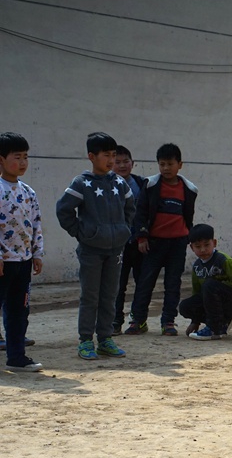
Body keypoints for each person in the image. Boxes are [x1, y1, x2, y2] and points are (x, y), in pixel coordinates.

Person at [56, 132, 135, 360]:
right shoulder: (82, 183)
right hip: (91, 250)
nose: (111, 160)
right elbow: (63, 210)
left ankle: (105, 339)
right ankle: (85, 341)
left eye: (113, 155)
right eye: (105, 155)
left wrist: (123, 231)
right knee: (90, 296)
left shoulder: (120, 183)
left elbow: (130, 209)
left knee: (110, 295)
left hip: (115, 250)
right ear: (91, 156)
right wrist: (82, 233)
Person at [124, 143, 196, 337]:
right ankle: (138, 321)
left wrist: (188, 237)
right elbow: (140, 213)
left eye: (170, 164)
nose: (166, 168)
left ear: (180, 165)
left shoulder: (189, 189)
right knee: (145, 283)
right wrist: (142, 237)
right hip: (153, 244)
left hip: (177, 244)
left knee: (173, 284)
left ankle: (168, 322)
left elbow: (188, 215)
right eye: (162, 164)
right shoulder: (150, 185)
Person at [0, 132, 44, 371]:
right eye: (17, 157)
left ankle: (16, 357)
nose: (23, 162)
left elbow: (36, 223)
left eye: (26, 157)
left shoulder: (28, 192)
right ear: (1, 160)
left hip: (23, 261)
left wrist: (37, 253)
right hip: (3, 262)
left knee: (19, 311)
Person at [178, 224, 232, 340]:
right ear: (192, 248)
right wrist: (195, 321)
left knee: (210, 285)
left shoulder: (223, 260)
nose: (203, 250)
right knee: (185, 306)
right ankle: (223, 321)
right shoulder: (197, 267)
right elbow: (197, 292)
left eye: (207, 245)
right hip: (215, 301)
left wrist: (218, 287)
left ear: (214, 243)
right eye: (198, 246)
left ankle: (214, 329)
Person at [112, 145, 145, 335]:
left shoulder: (141, 184)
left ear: (133, 163)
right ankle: (115, 321)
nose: (122, 165)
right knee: (117, 285)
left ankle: (138, 320)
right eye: (117, 162)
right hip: (117, 244)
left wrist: (144, 236)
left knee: (142, 283)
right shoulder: (106, 185)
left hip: (139, 243)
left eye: (126, 161)